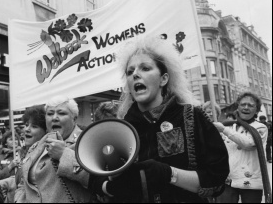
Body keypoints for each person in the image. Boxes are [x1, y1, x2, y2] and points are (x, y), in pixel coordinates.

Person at [92, 36, 229, 202]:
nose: (135, 74)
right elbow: (96, 175)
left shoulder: (192, 117)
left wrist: (170, 174)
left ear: (164, 79)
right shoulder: (120, 127)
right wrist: (110, 187)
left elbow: (216, 179)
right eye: (130, 71)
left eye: (145, 68)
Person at [14, 97, 93, 203]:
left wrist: (63, 154)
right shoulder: (36, 146)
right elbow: (23, 183)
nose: (54, 118)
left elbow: (95, 179)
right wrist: (18, 200)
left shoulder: (87, 142)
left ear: (74, 118)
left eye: (61, 113)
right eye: (50, 113)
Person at [213, 92, 268, 203]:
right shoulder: (229, 125)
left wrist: (223, 130)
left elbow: (248, 143)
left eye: (250, 105)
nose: (246, 107)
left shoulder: (260, 127)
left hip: (251, 182)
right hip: (228, 180)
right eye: (243, 104)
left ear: (256, 110)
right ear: (237, 107)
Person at [0, 105, 47, 203]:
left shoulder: (47, 155)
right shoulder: (25, 153)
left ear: (45, 131)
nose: (27, 129)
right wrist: (10, 182)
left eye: (34, 126)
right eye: (26, 125)